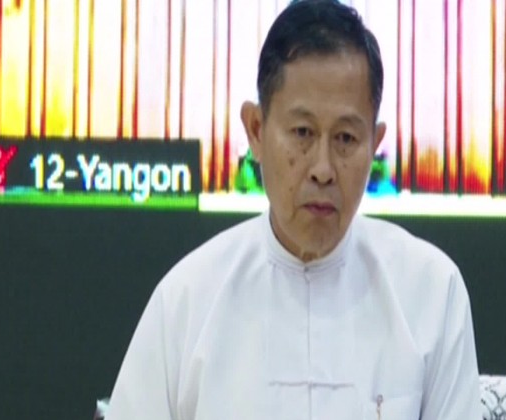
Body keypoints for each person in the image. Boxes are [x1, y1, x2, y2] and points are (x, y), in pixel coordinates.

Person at [105, 1, 482, 419]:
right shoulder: (187, 299)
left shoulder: (431, 293)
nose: (323, 169)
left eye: (345, 139)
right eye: (303, 132)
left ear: (374, 144)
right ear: (256, 130)